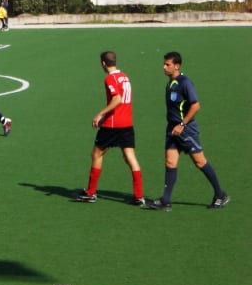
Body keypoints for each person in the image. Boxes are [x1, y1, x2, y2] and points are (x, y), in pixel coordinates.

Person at [147, 51, 229, 211]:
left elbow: (196, 105)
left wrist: (182, 124)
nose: (164, 67)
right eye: (164, 64)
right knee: (170, 162)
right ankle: (166, 200)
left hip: (186, 130)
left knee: (200, 162)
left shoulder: (185, 83)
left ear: (177, 66)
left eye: (167, 64)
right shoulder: (171, 83)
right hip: (172, 129)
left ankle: (220, 194)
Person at [75, 51, 144, 205]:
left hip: (113, 124)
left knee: (96, 154)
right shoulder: (125, 77)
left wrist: (101, 114)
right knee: (130, 157)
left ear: (103, 63)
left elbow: (117, 99)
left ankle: (91, 192)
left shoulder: (110, 78)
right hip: (127, 123)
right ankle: (139, 196)